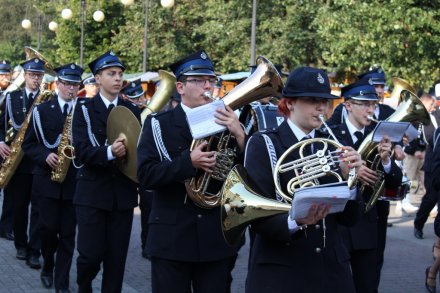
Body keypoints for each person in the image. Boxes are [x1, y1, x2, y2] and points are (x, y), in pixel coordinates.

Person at [244, 67, 363, 292]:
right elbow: (256, 216)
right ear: (289, 103)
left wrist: (352, 182)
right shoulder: (264, 144)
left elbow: (351, 219)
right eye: (312, 100)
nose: (322, 108)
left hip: (331, 270)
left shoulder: (334, 145)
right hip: (282, 271)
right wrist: (296, 221)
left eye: (325, 101)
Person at [137, 49, 243, 292]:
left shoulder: (229, 123)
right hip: (171, 238)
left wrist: (240, 135)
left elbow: (246, 175)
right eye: (199, 80)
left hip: (216, 237)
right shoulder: (157, 124)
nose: (208, 86)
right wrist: (188, 162)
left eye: (211, 80)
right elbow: (146, 175)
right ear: (181, 87)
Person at [71, 50, 141, 292]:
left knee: (116, 261)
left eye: (120, 74)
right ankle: (84, 286)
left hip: (122, 196)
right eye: (111, 74)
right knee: (90, 256)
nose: (118, 78)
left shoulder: (133, 111)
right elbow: (80, 150)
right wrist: (110, 152)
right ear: (97, 78)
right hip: (92, 194)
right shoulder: (83, 110)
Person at [331, 80, 403, 293]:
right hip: (339, 224)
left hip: (369, 223)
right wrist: (352, 171)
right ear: (348, 105)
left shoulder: (380, 135)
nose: (371, 110)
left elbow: (394, 182)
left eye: (373, 104)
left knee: (368, 286)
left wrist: (387, 160)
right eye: (364, 104)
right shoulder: (332, 133)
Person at [22, 63, 83, 292]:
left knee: (68, 235)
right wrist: (44, 155)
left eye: (74, 84)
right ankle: (48, 265)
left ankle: (62, 282)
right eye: (66, 84)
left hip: (73, 182)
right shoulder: (41, 111)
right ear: (58, 84)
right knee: (47, 229)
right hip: (46, 181)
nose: (70, 89)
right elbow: (29, 145)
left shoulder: (82, 111)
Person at [0, 57, 46, 269]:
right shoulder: (11, 98)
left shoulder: (48, 100)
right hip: (16, 161)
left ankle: (34, 249)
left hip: (38, 162)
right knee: (19, 206)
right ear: (25, 76)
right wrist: (0, 141)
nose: (35, 79)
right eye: (32, 75)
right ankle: (20, 244)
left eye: (39, 75)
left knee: (37, 208)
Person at [400, 94, 436, 213]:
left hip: (423, 153)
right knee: (408, 178)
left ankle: (429, 204)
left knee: (425, 179)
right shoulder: (414, 117)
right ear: (424, 103)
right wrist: (414, 150)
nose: (433, 107)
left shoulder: (430, 117)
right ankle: (404, 202)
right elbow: (408, 135)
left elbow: (426, 135)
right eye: (431, 104)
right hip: (411, 154)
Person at [414, 86, 440, 239]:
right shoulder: (426, 120)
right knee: (430, 199)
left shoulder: (437, 114)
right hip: (433, 166)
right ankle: (418, 224)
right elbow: (428, 138)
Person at [0, 59, 13, 241]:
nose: (5, 77)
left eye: (7, 74)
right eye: (2, 74)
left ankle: (5, 227)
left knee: (11, 190)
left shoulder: (13, 96)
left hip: (9, 149)